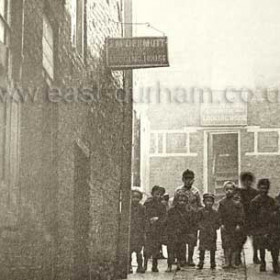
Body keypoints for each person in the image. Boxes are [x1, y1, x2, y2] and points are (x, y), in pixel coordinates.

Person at [250, 179, 279, 273]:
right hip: (260, 227)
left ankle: (275, 263)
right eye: (262, 188)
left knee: (275, 244)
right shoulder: (254, 201)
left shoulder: (271, 201)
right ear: (259, 188)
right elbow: (252, 217)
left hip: (270, 226)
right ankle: (263, 262)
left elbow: (275, 213)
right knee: (261, 245)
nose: (263, 190)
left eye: (265, 188)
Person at [175, 169, 202, 266]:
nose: (188, 181)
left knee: (192, 239)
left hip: (192, 219)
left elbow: (200, 205)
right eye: (186, 179)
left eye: (190, 179)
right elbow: (174, 205)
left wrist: (197, 215)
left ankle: (190, 259)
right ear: (183, 179)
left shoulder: (196, 192)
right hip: (181, 219)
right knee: (181, 239)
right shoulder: (178, 191)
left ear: (193, 180)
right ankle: (182, 258)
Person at [218, 181, 245, 269]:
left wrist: (238, 224)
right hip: (226, 227)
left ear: (234, 190)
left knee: (234, 244)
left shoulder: (237, 202)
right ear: (224, 190)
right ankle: (227, 262)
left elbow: (241, 214)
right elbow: (219, 214)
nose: (229, 191)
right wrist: (221, 224)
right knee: (226, 244)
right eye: (227, 189)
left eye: (231, 189)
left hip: (235, 227)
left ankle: (233, 262)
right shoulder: (222, 202)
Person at [144, 185, 167, 272]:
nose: (158, 196)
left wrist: (158, 220)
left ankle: (155, 265)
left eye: (160, 194)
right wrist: (149, 220)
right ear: (152, 193)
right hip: (149, 229)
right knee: (147, 247)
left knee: (157, 248)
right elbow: (144, 214)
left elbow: (164, 217)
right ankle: (145, 265)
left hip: (158, 229)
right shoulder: (147, 203)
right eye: (156, 194)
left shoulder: (162, 205)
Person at [165, 191, 190, 272]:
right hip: (172, 233)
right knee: (171, 250)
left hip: (181, 234)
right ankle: (169, 265)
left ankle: (179, 263)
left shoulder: (187, 212)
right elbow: (168, 222)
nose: (182, 203)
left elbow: (188, 223)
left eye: (184, 201)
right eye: (180, 201)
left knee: (180, 250)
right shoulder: (171, 211)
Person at [238, 172, 260, 264]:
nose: (247, 182)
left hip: (253, 218)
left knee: (255, 239)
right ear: (243, 182)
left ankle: (255, 256)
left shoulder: (255, 193)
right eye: (245, 181)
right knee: (241, 238)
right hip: (243, 218)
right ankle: (238, 256)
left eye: (249, 181)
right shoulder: (240, 192)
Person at [197, 193, 220, 270]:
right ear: (204, 202)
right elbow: (197, 221)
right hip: (203, 232)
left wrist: (214, 227)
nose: (209, 203)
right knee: (202, 248)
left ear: (213, 202)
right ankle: (201, 261)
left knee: (212, 248)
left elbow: (218, 222)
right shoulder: (200, 212)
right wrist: (201, 227)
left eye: (210, 201)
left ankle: (212, 262)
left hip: (212, 233)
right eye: (207, 201)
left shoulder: (215, 212)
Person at [129, 189, 146, 274]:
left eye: (137, 197)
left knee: (139, 251)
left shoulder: (142, 208)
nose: (135, 199)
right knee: (129, 251)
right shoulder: (128, 207)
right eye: (133, 197)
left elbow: (144, 220)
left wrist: (144, 232)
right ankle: (129, 266)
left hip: (139, 232)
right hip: (131, 232)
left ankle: (140, 266)